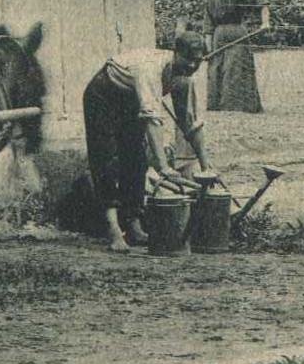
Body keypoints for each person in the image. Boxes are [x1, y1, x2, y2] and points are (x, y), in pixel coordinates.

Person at [82, 34, 210, 252]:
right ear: (175, 52)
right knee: (106, 161)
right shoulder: (150, 69)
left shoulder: (185, 77)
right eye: (187, 58)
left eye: (198, 60)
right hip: (103, 94)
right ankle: (113, 232)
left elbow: (190, 123)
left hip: (130, 99)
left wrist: (207, 168)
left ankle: (133, 226)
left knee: (136, 159)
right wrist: (163, 167)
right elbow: (153, 119)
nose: (192, 65)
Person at [203, 0, 265, 114]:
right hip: (218, 38)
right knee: (216, 69)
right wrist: (209, 49)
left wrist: (265, 21)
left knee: (235, 69)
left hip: (237, 35)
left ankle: (240, 106)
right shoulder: (210, 0)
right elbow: (208, 27)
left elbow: (261, 3)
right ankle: (218, 105)